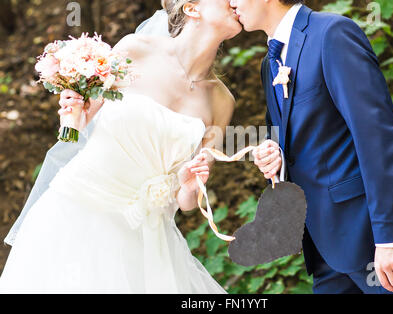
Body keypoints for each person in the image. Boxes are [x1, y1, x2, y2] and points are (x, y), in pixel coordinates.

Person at [0, 0, 242, 293]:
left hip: (146, 238)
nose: (236, 2)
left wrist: (191, 185)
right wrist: (71, 116)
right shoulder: (134, 50)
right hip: (77, 211)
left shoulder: (221, 100)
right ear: (192, 8)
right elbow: (74, 133)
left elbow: (188, 202)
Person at [230, 0, 393, 293]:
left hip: (373, 239)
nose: (230, 2)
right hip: (325, 248)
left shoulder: (332, 34)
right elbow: (299, 134)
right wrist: (275, 154)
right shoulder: (270, 63)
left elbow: (377, 135)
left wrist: (392, 236)